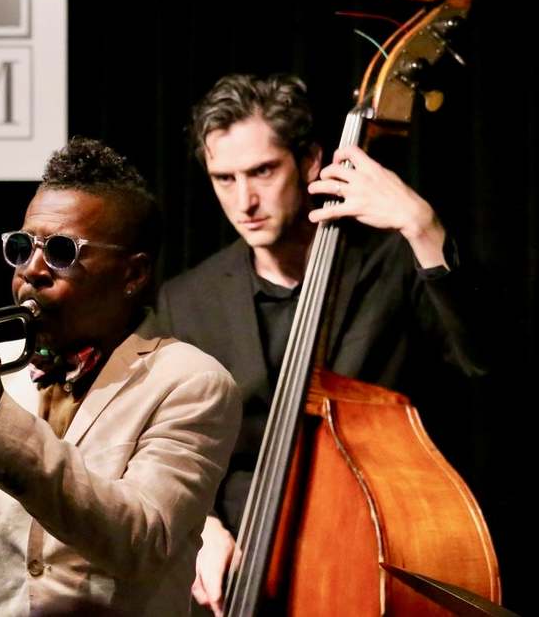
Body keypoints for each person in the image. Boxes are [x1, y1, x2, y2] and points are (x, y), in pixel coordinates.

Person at [0, 137, 241, 616]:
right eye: (21, 248)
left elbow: (140, 542)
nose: (32, 270)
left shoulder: (190, 381)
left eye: (61, 252)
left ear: (133, 274)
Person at [154, 73, 485, 615]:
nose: (245, 201)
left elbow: (485, 363)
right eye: (224, 179)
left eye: (263, 171)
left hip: (364, 551)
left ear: (310, 162)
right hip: (236, 571)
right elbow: (163, 442)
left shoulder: (394, 263)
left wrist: (423, 227)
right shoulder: (187, 299)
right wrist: (201, 526)